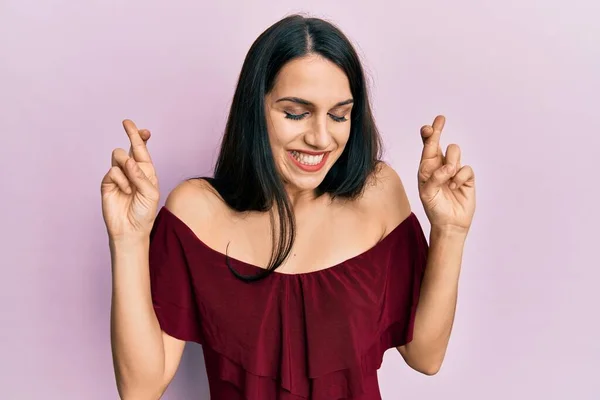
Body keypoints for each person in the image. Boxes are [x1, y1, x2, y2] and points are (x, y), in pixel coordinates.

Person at [101, 14, 476, 400]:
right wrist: (128, 239)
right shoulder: (196, 212)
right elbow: (140, 389)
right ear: (255, 110)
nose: (320, 137)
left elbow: (426, 356)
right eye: (296, 113)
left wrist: (450, 230)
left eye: (339, 115)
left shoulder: (379, 194)